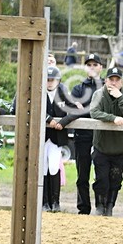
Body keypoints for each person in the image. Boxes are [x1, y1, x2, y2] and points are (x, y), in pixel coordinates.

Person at [89, 66, 123, 216]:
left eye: (117, 80)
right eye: (111, 79)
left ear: (121, 82)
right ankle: (99, 206)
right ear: (106, 80)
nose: (114, 83)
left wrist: (119, 98)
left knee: (116, 179)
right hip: (101, 146)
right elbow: (94, 112)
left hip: (120, 148)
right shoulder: (99, 94)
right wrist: (112, 118)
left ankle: (110, 207)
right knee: (101, 179)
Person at [64, 53, 104, 214]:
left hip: (102, 137)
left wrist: (85, 109)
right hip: (82, 136)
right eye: (89, 65)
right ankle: (83, 207)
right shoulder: (78, 88)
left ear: (101, 67)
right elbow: (73, 109)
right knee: (83, 175)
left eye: (95, 64)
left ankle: (101, 207)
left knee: (101, 174)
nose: (92, 67)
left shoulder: (106, 87)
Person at [42, 66, 73, 212]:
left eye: (52, 80)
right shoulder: (39, 92)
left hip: (56, 137)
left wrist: (63, 122)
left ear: (58, 80)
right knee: (43, 168)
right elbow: (34, 106)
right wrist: (49, 119)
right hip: (42, 137)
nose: (49, 83)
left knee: (54, 167)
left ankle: (55, 202)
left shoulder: (64, 93)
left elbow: (75, 110)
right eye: (47, 80)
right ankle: (44, 202)